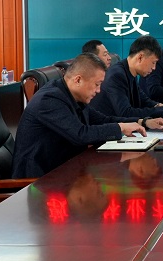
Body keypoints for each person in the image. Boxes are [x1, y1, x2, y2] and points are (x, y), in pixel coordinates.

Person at [12, 53, 147, 179]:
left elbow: (102, 120)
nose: (99, 90)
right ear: (78, 80)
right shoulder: (49, 100)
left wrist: (142, 122)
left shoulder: (73, 96)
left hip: (63, 171)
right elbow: (80, 135)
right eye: (97, 84)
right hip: (36, 181)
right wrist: (120, 128)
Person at [91, 35, 163, 125]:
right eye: (153, 62)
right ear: (140, 57)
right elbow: (126, 113)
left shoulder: (129, 71)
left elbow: (142, 98)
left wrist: (157, 105)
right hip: (105, 128)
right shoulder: (117, 75)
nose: (154, 68)